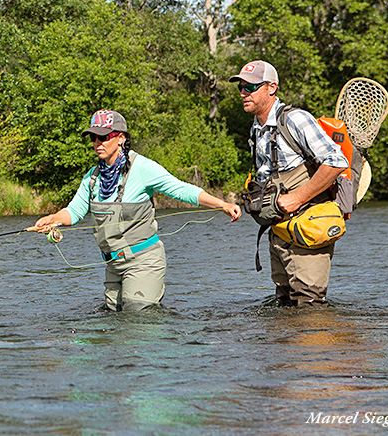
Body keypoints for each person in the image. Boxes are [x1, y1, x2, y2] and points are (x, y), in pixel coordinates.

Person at [33, 109, 241, 312]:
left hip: (144, 261)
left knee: (136, 316)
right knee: (113, 324)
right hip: (113, 265)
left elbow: (181, 189)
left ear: (121, 138)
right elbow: (73, 212)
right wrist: (53, 219)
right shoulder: (92, 177)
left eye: (103, 137)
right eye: (93, 137)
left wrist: (222, 204)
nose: (97, 142)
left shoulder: (142, 168)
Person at [230, 60, 349, 306]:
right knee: (284, 302)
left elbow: (336, 162)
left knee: (309, 305)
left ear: (271, 88)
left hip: (309, 226)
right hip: (279, 230)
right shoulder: (256, 129)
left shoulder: (295, 119)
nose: (243, 92)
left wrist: (297, 198)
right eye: (241, 87)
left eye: (251, 87)